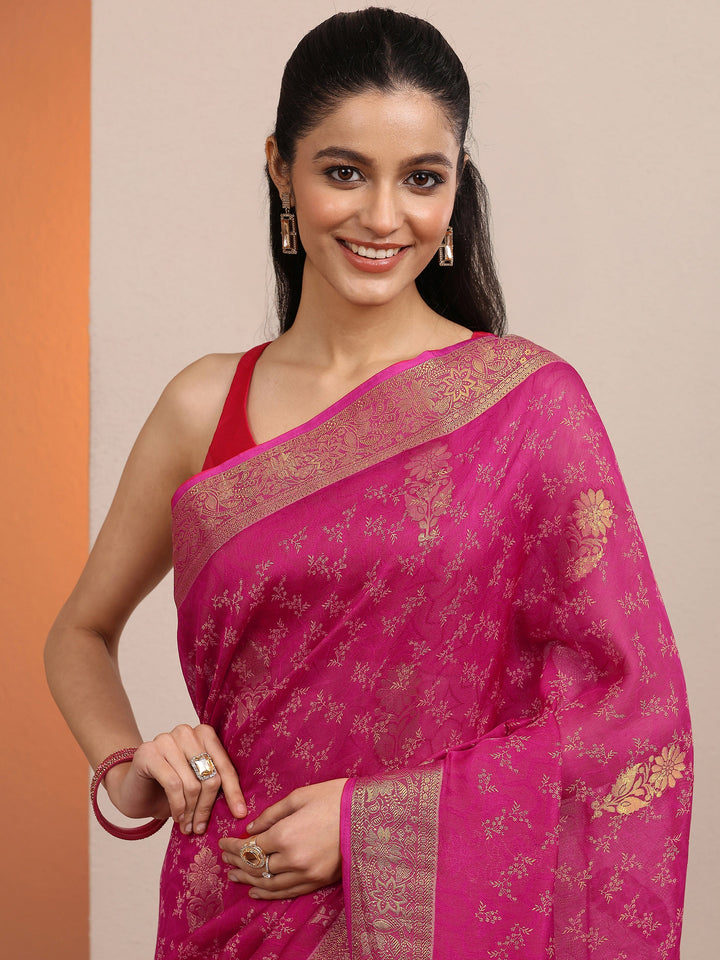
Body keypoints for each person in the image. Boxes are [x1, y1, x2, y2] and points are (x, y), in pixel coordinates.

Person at [45, 7, 692, 959]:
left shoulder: (529, 410)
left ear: (456, 186)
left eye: (422, 178)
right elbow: (80, 633)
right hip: (235, 904)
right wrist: (128, 764)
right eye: (344, 172)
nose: (384, 217)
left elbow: (630, 716)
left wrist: (367, 825)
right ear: (281, 169)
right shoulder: (203, 405)